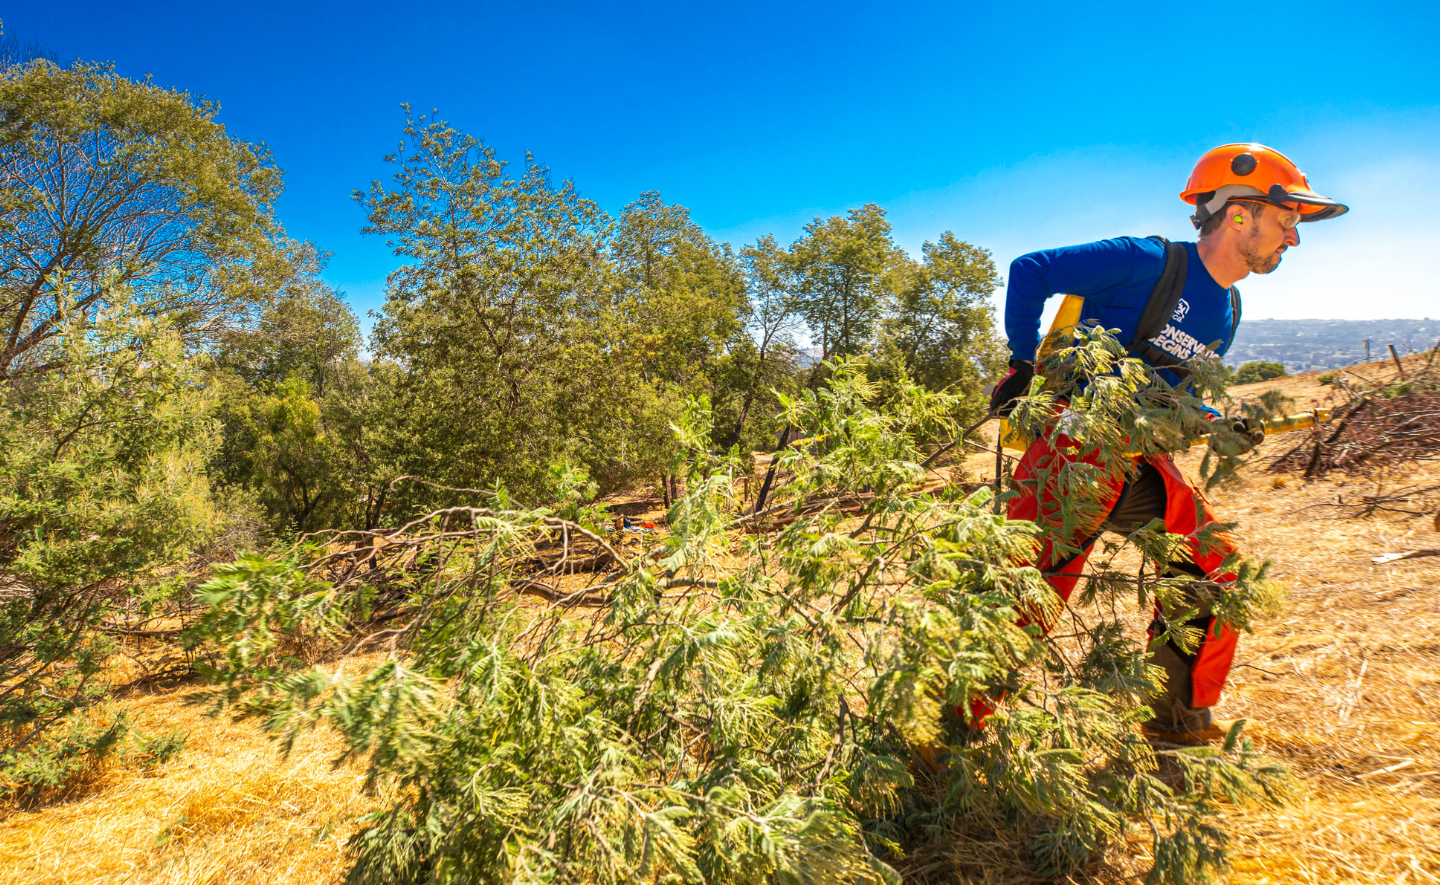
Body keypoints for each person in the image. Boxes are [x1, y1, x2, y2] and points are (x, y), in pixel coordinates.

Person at [988, 143, 1348, 743]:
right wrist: (1022, 363)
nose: (1294, 238)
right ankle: (949, 728)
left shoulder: (1228, 309)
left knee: (1214, 574)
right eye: (1286, 221)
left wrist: (1215, 420)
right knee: (1026, 593)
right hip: (1071, 449)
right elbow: (1031, 269)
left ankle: (1173, 721)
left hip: (1135, 458)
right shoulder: (1144, 262)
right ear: (1239, 214)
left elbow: (1167, 394)